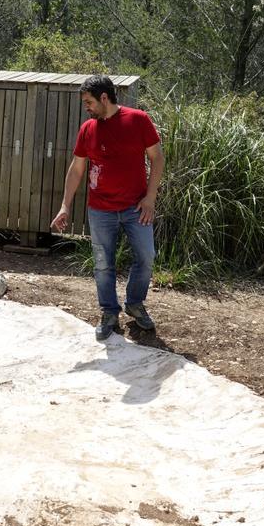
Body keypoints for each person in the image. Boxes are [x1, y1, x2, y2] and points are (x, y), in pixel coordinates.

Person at [50, 75, 164, 341]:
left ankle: (135, 305)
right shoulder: (88, 128)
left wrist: (150, 198)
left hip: (137, 207)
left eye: (89, 102)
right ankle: (109, 313)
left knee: (147, 257)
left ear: (104, 97)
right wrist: (64, 205)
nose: (86, 107)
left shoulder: (138, 120)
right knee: (103, 264)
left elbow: (157, 158)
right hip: (100, 210)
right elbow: (77, 168)